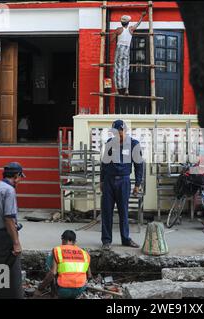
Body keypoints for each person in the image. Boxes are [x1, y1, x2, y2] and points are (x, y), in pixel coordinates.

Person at [100, 119, 143, 250]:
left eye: (118, 132)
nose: (116, 135)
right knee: (107, 211)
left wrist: (137, 184)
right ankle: (106, 241)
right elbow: (104, 163)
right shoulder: (109, 143)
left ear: (124, 130)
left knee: (123, 211)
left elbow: (139, 166)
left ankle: (125, 239)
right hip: (108, 181)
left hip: (124, 181)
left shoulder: (134, 144)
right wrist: (101, 180)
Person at [0, 162, 26, 298]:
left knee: (0, 269)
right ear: (16, 175)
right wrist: (16, 242)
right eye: (20, 177)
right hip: (6, 236)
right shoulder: (9, 190)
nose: (19, 181)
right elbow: (8, 218)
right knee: (12, 274)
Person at [34, 230, 92, 299]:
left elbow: (53, 273)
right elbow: (89, 276)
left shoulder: (57, 250)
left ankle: (54, 293)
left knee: (51, 257)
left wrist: (40, 289)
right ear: (75, 242)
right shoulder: (84, 253)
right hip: (80, 289)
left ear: (63, 239)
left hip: (63, 290)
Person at [112, 12, 147, 96]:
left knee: (117, 69)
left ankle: (117, 90)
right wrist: (142, 16)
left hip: (120, 48)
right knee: (125, 69)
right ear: (128, 22)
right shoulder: (131, 29)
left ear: (121, 22)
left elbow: (111, 39)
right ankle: (126, 89)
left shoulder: (118, 29)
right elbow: (137, 24)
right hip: (127, 49)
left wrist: (114, 35)